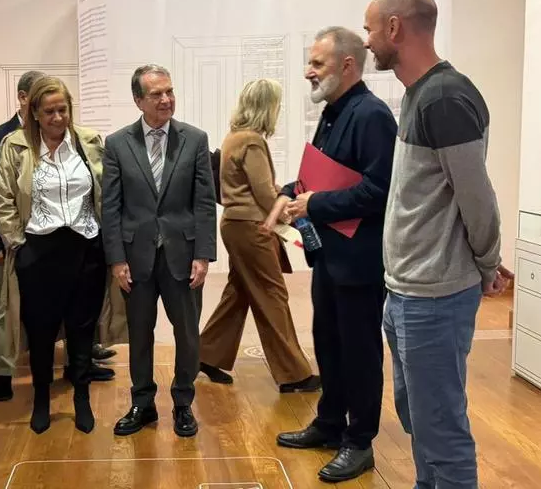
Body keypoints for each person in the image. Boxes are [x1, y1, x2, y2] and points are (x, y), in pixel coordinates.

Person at [364, 0, 512, 487]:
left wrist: (487, 263)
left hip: (434, 297)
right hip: (407, 292)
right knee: (422, 422)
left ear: (394, 28)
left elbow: (478, 198)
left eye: (369, 30)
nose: (367, 41)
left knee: (441, 431)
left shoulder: (444, 98)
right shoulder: (419, 94)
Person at [274, 26, 396, 482]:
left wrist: (315, 204)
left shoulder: (372, 116)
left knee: (360, 352)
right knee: (328, 342)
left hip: (359, 260)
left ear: (347, 66)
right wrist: (291, 192)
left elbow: (380, 190)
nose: (308, 71)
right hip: (330, 255)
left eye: (317, 63)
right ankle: (329, 424)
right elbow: (325, 176)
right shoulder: (333, 112)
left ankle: (359, 442)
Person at [0, 76, 125, 434]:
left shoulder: (89, 142)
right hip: (38, 251)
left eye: (62, 110)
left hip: (85, 249)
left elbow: (105, 194)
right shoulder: (15, 146)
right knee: (41, 331)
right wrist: (17, 243)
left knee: (83, 329)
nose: (57, 118)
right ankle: (41, 399)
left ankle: (81, 397)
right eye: (49, 111)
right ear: (34, 112)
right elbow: (2, 199)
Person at [102, 64, 217, 438]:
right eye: (156, 94)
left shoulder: (194, 140)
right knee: (139, 333)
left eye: (170, 91)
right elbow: (111, 206)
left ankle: (183, 402)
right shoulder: (117, 144)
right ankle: (143, 402)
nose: (166, 99)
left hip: (182, 255)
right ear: (138, 100)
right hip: (135, 258)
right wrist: (116, 259)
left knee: (187, 333)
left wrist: (204, 254)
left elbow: (204, 202)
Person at [197, 78, 320, 393]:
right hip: (253, 228)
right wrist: (291, 211)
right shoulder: (252, 141)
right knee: (272, 295)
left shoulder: (234, 137)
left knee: (239, 292)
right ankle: (293, 374)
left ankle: (207, 353)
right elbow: (264, 193)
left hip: (236, 225)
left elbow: (249, 187)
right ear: (267, 107)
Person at [0, 70, 41, 401]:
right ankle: (3, 372)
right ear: (22, 97)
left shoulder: (54, 134)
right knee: (6, 308)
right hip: (9, 240)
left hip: (45, 240)